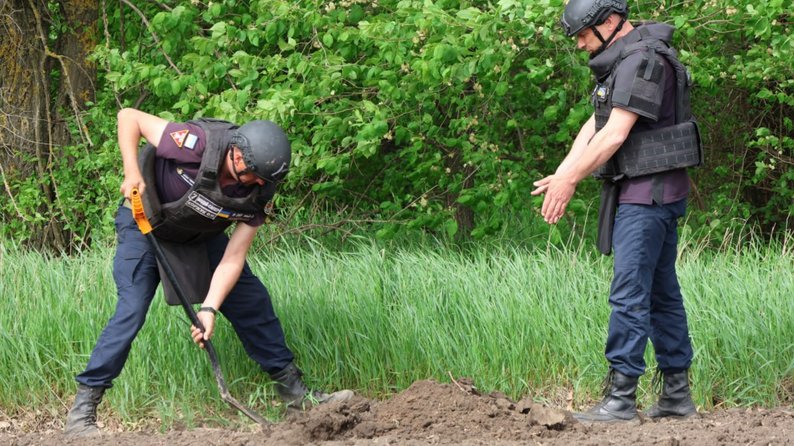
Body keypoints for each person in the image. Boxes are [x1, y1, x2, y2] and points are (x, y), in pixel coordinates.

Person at [64, 108, 353, 436]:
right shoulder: (198, 144)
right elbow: (129, 117)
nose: (260, 183)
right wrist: (132, 171)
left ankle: (295, 396)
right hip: (146, 224)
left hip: (201, 236)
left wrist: (209, 308)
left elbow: (234, 255)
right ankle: (83, 411)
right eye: (256, 174)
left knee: (252, 301)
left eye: (266, 180)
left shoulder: (262, 190)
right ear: (237, 155)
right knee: (131, 310)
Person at [531, 0, 702, 424]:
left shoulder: (644, 60)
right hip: (649, 191)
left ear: (609, 22)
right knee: (662, 293)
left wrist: (571, 181)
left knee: (629, 294)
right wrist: (562, 173)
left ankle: (620, 399)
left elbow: (614, 135)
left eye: (584, 34)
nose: (580, 44)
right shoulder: (624, 59)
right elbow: (594, 124)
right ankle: (677, 397)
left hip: (649, 195)